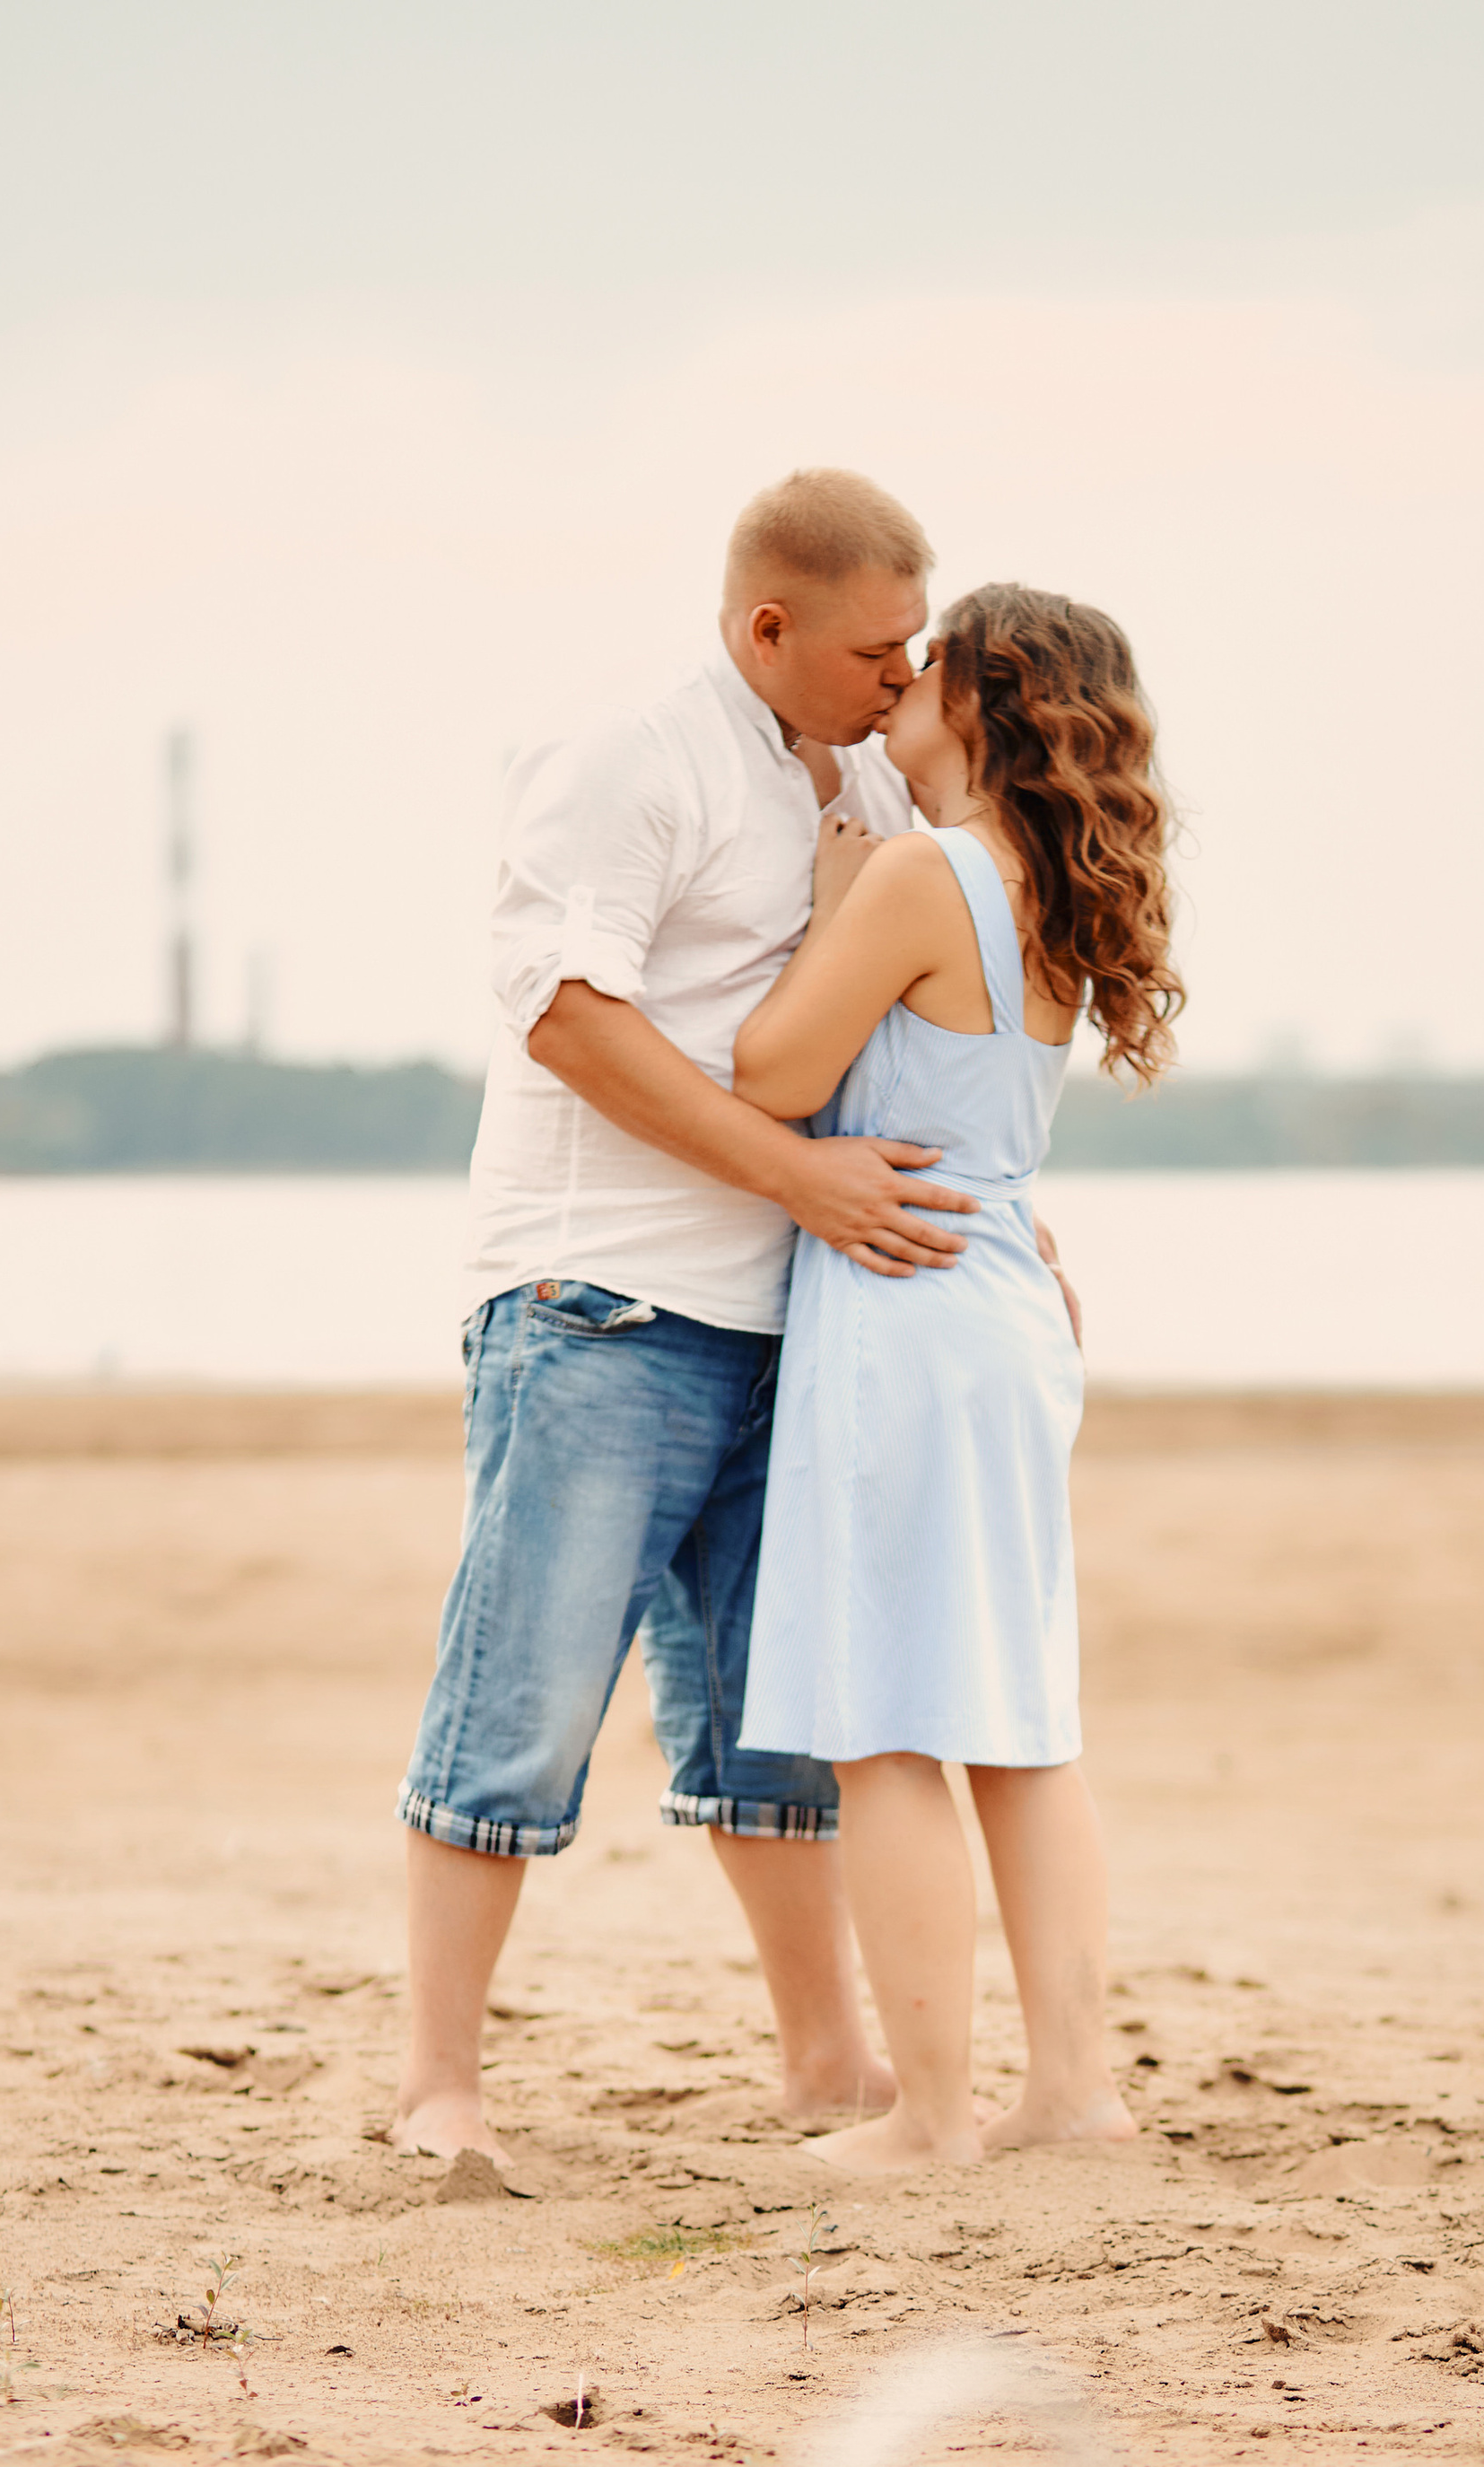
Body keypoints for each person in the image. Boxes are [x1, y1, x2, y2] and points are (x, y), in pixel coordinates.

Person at [389, 470, 984, 2166]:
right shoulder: (626, 758)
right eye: (878, 647)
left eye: (917, 643)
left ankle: (827, 2063)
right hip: (596, 1301)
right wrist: (801, 1181)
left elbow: (894, 1021)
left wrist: (1007, 1232)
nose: (905, 672)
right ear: (765, 627)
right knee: (524, 1701)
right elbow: (568, 1019)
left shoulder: (866, 769)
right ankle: (440, 2086)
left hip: (794, 1314)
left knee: (768, 1714)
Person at [733, 583, 1183, 2174]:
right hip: (1002, 1306)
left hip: (902, 1309)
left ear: (978, 709)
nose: (898, 690)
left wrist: (832, 893)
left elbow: (774, 1075)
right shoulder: (1049, 889)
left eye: (924, 670)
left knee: (886, 1727)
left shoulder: (922, 874)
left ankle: (926, 2117)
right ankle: (1071, 2092)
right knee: (1018, 1721)